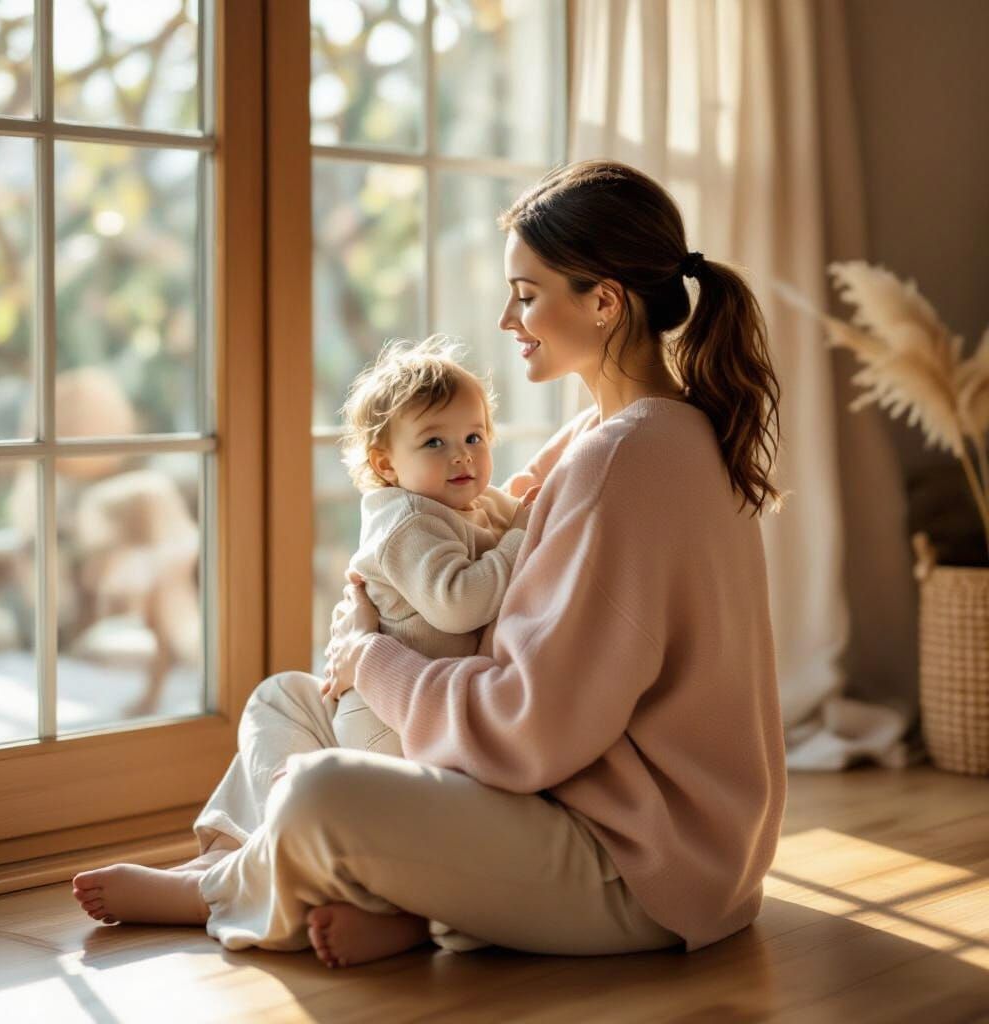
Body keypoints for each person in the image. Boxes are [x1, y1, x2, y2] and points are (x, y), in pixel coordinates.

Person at [70, 159, 788, 973]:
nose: (509, 318)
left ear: (605, 301)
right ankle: (363, 892)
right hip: (634, 830)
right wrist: (371, 633)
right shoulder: (632, 434)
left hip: (636, 864)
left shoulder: (625, 457)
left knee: (319, 790)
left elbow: (534, 726)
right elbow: (510, 567)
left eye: (526, 292)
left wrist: (374, 659)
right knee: (298, 703)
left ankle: (219, 888)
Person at [330, 333, 536, 758]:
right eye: (434, 442)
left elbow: (528, 517)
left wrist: (528, 519)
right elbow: (459, 605)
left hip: (423, 701)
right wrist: (520, 536)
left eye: (474, 438)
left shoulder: (478, 500)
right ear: (386, 464)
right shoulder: (407, 521)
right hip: (381, 717)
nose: (461, 456)